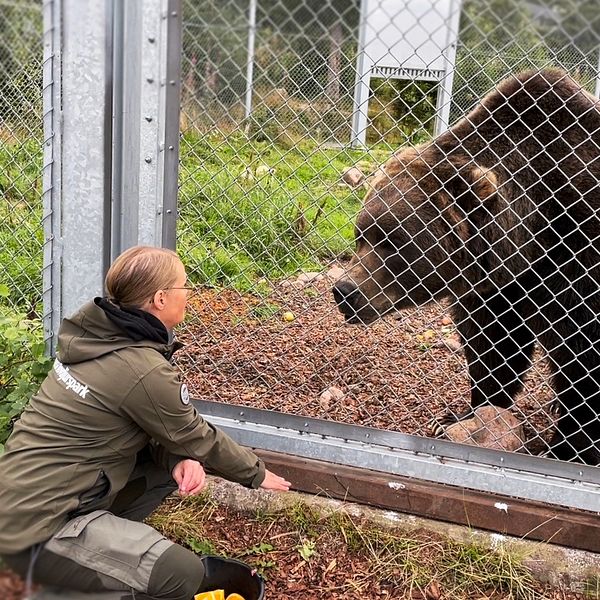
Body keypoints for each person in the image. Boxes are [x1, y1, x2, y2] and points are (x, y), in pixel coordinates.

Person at [0, 246, 291, 600]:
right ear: (160, 298)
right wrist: (256, 473)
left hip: (27, 501)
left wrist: (177, 458)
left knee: (170, 468)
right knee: (181, 573)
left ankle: (94, 558)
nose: (189, 294)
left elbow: (156, 432)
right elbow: (197, 435)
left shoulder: (96, 336)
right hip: (36, 530)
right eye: (185, 286)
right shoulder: (142, 370)